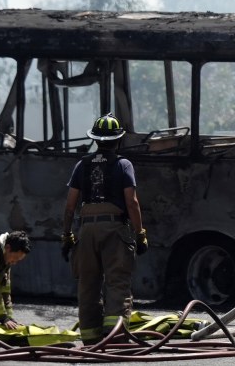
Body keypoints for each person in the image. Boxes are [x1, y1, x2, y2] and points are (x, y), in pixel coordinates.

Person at [62, 113, 148, 344]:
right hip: (113, 228)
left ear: (96, 140)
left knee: (88, 283)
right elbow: (132, 202)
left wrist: (67, 235)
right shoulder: (123, 164)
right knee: (117, 281)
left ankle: (90, 339)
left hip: (86, 229)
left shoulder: (82, 164)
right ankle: (115, 338)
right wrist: (140, 234)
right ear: (118, 140)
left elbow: (70, 206)